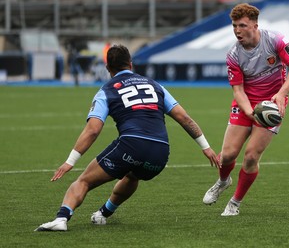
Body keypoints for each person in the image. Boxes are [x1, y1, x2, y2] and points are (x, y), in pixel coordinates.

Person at [35, 44, 219, 231]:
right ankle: (103, 214)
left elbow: (93, 130)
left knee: (84, 181)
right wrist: (206, 147)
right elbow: (184, 118)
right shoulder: (155, 85)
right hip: (160, 154)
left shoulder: (106, 91)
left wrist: (70, 161)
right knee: (133, 175)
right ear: (130, 64)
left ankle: (61, 219)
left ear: (108, 68)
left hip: (132, 145)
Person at [202, 3, 289, 216]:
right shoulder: (233, 55)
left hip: (272, 106)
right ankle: (223, 181)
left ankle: (235, 203)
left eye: (242, 25)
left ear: (255, 25)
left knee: (250, 157)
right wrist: (250, 112)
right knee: (228, 155)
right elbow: (238, 91)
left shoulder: (276, 40)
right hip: (246, 104)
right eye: (234, 26)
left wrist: (281, 94)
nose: (237, 31)